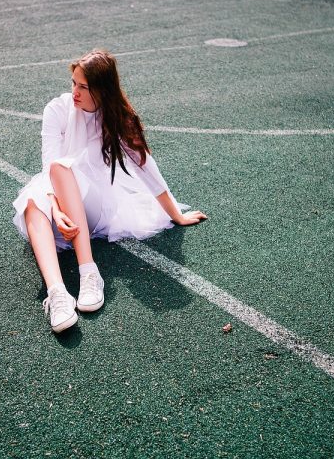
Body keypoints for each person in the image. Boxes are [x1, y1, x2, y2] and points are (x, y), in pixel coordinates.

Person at [13, 49, 207, 333]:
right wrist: (55, 209)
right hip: (58, 202)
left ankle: (89, 272)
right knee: (32, 202)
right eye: (73, 83)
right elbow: (47, 170)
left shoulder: (116, 120)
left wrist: (176, 214)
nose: (75, 92)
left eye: (84, 87)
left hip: (95, 206)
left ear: (102, 91)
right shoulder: (57, 110)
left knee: (63, 169)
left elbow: (147, 169)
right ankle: (57, 294)